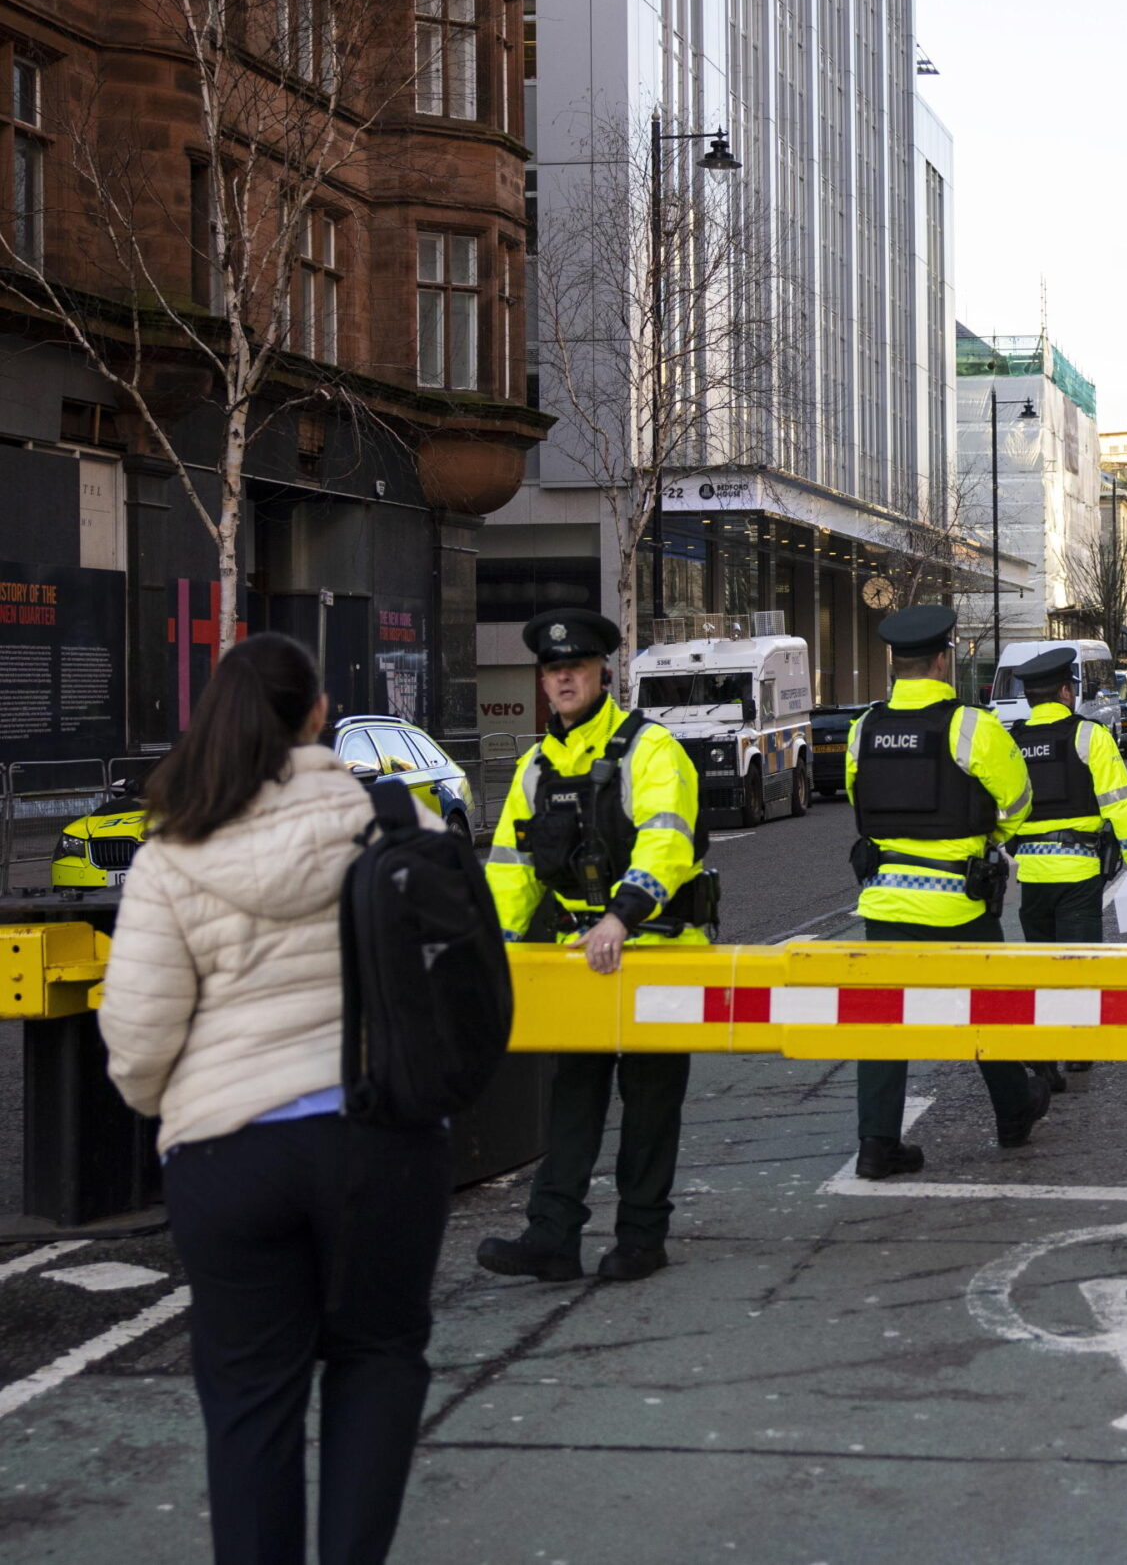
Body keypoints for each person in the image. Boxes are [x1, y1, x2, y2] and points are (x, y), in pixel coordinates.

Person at [101, 634, 450, 1565]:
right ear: (318, 717)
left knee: (251, 1397)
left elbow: (138, 1044)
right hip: (378, 1138)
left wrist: (176, 1109)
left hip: (230, 1156)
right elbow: (446, 966)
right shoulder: (394, 815)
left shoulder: (173, 847)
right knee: (377, 1358)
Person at [478, 608, 710, 1286]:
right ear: (543, 683)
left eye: (575, 667)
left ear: (602, 672)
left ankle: (641, 1237)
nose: (564, 679)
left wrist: (621, 917)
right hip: (580, 956)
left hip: (657, 949)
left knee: (649, 1099)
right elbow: (510, 875)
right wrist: (497, 954)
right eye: (553, 670)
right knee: (573, 1093)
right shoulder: (534, 768)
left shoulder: (651, 749)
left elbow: (666, 841)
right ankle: (551, 1237)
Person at [843, 605, 1044, 1178]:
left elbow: (860, 803)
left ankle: (877, 1144)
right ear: (942, 658)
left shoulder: (865, 728)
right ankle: (1012, 1111)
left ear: (893, 663)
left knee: (882, 1023)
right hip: (960, 900)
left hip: (884, 899)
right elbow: (1018, 800)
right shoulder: (971, 726)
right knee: (989, 1008)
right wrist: (989, 838)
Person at [1010, 645, 1127, 940]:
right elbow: (1119, 803)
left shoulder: (1012, 741)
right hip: (1078, 870)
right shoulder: (1089, 735)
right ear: (1064, 692)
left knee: (1042, 969)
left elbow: (1001, 806)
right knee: (1079, 970)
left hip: (1030, 874)